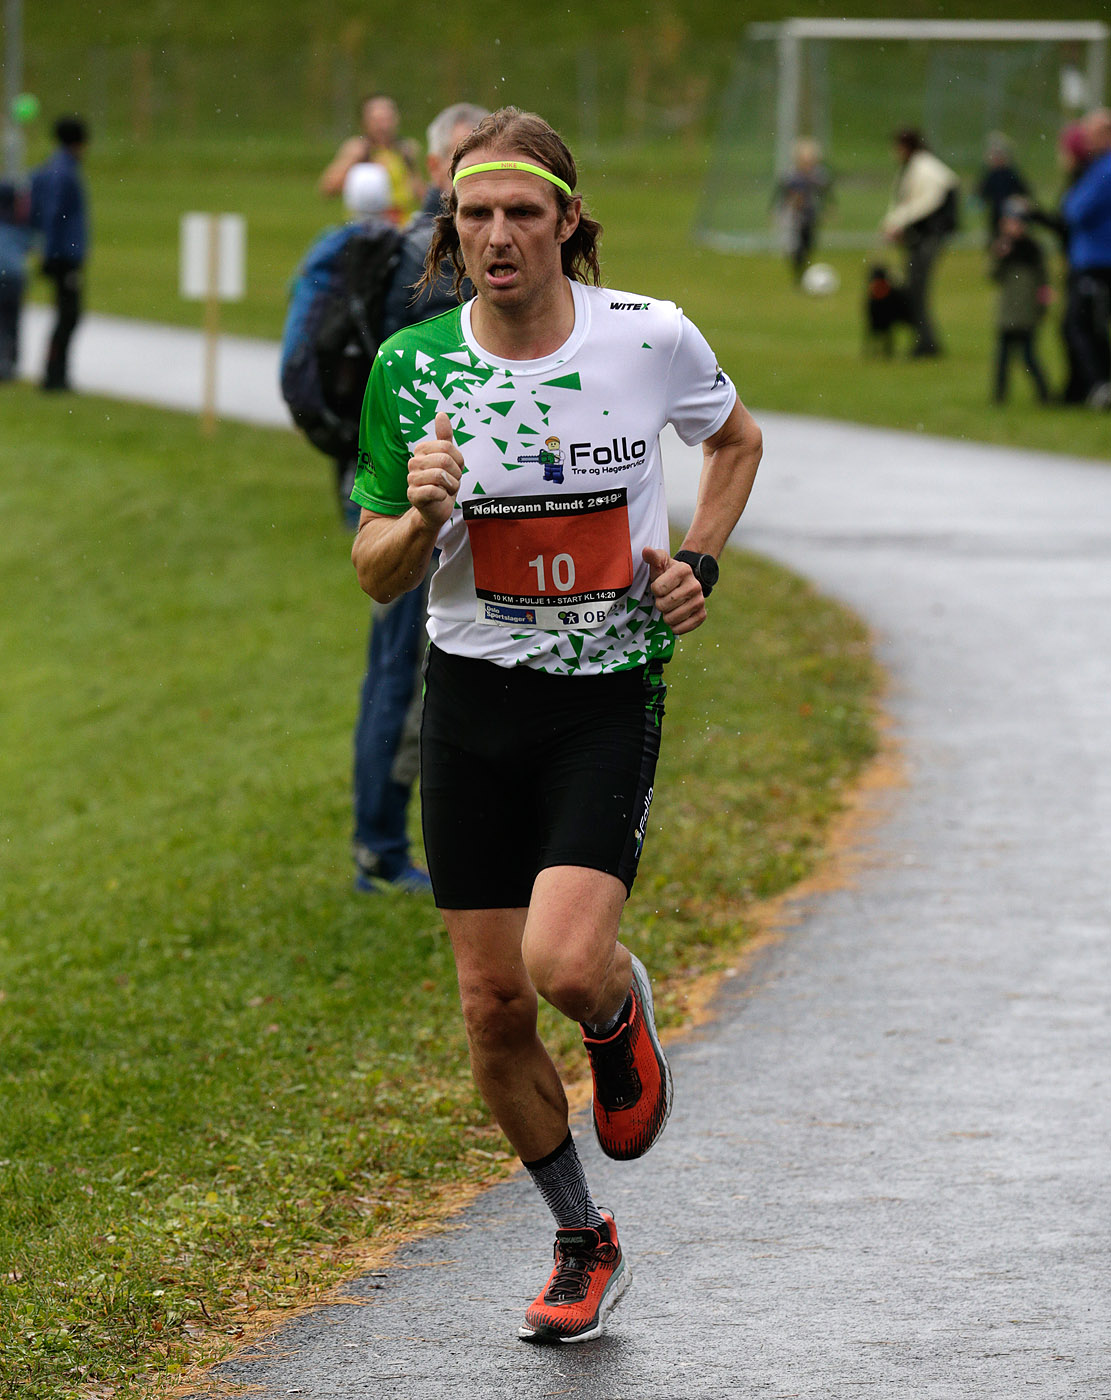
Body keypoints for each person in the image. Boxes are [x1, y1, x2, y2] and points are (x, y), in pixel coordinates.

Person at [349, 106, 762, 1343]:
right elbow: (373, 572)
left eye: (521, 212)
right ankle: (583, 1236)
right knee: (490, 1006)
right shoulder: (412, 368)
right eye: (474, 214)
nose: (498, 235)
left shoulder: (647, 336)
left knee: (565, 963)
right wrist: (420, 518)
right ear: (451, 226)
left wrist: (698, 559)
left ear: (566, 220)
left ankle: (617, 1009)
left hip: (603, 690)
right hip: (471, 697)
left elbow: (735, 440)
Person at [351, 101, 489, 895]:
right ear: (437, 170)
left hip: (417, 492)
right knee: (403, 672)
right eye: (468, 164)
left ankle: (393, 839)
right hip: (418, 502)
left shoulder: (422, 252)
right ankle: (380, 845)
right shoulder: (432, 271)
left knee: (399, 668)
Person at [881, 127, 960, 357]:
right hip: (922, 238)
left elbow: (922, 204)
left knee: (916, 290)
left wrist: (896, 224)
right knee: (915, 289)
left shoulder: (924, 168)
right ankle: (925, 340)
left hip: (927, 239)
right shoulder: (920, 167)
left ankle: (926, 343)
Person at [29, 115, 90, 392]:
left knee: (66, 314)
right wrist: (50, 252)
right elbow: (54, 214)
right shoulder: (64, 172)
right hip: (64, 255)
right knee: (68, 315)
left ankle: (56, 373)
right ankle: (54, 375)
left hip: (62, 252)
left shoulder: (53, 167)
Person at [1060, 108, 1111, 407]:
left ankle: (1099, 385)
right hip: (1093, 258)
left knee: (1082, 325)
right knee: (1087, 324)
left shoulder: (1105, 168)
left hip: (1097, 261)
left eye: (1092, 134)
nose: (1087, 141)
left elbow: (1075, 209)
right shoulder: (1098, 167)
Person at [318, 94, 421, 226]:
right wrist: (354, 162)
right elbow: (327, 188)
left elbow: (420, 193)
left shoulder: (404, 150)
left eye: (387, 119)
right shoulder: (357, 149)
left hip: (400, 227)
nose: (383, 126)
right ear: (364, 123)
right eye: (377, 120)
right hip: (366, 226)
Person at [989, 197, 1050, 405]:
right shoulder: (1003, 248)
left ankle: (1044, 394)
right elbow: (993, 276)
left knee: (1028, 356)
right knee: (1003, 359)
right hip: (1008, 313)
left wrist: (1043, 303)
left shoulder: (1032, 249)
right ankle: (999, 397)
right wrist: (999, 256)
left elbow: (1043, 280)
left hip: (1027, 312)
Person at [772, 137, 833, 282]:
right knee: (795, 245)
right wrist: (777, 210)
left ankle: (803, 268)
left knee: (808, 243)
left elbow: (825, 192)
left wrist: (829, 207)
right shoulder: (791, 176)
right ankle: (798, 273)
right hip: (793, 216)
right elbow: (781, 193)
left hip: (809, 214)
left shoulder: (818, 175)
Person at [0, 180, 33, 382]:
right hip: (15, 279)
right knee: (12, 322)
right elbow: (28, 246)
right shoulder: (17, 226)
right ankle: (11, 362)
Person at [975, 132, 1031, 244]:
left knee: (1011, 237)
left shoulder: (1010, 174)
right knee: (997, 238)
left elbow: (1023, 191)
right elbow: (982, 192)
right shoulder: (991, 175)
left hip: (1010, 213)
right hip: (996, 212)